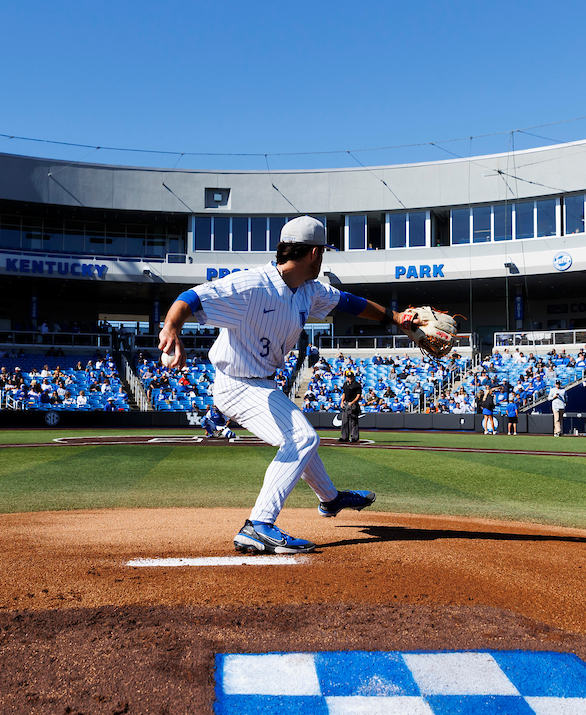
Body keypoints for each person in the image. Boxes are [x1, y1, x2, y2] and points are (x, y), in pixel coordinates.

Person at [159, 215, 403, 555]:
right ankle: (258, 525)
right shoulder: (251, 285)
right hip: (236, 382)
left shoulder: (309, 291)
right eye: (325, 253)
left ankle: (330, 500)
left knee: (300, 442)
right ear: (315, 253)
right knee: (302, 437)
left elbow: (350, 303)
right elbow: (192, 297)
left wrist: (396, 318)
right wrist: (171, 327)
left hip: (262, 383)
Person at [339, 370, 362, 443]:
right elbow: (344, 393)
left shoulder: (356, 385)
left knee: (353, 421)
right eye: (348, 377)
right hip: (346, 403)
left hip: (353, 404)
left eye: (351, 377)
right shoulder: (345, 384)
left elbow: (358, 395)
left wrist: (352, 402)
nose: (350, 378)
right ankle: (344, 437)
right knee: (344, 421)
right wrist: (342, 402)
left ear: (353, 377)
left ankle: (354, 437)